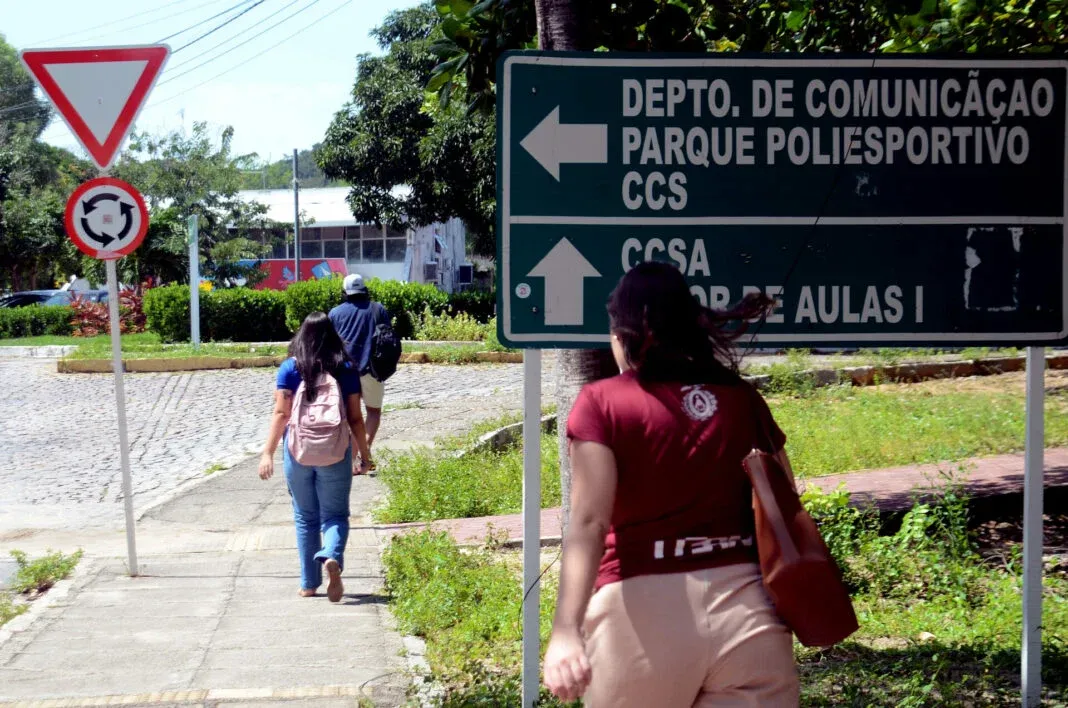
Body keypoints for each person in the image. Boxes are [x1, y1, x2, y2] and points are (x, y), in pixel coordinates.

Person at [543, 261, 800, 707]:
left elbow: (588, 522)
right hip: (750, 618)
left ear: (626, 332)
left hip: (638, 619)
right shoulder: (742, 398)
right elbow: (787, 501)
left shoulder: (603, 402)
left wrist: (565, 629)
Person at [259, 312, 373, 601]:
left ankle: (309, 584)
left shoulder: (290, 368)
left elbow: (281, 414)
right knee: (335, 515)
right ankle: (331, 555)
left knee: (305, 516)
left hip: (297, 452)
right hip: (336, 451)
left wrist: (267, 453)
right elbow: (356, 418)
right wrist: (365, 454)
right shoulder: (345, 368)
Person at [329, 273, 390, 473]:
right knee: (373, 412)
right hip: (373, 369)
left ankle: (352, 460)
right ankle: (364, 456)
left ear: (345, 292)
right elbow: (388, 338)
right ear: (364, 290)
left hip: (345, 371)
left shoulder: (335, 313)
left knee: (349, 417)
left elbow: (329, 345)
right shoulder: (378, 309)